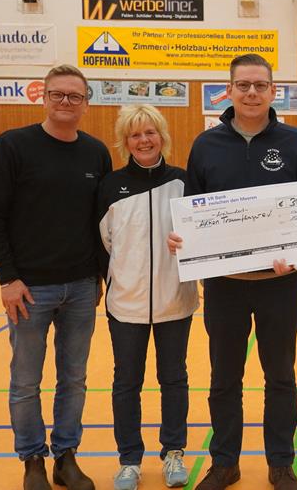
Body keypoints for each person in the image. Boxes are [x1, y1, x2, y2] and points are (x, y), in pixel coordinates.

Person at [168, 53, 297, 490]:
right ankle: (225, 464)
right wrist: (182, 238)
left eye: (260, 85)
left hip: (281, 285)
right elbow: (192, 211)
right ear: (229, 90)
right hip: (225, 288)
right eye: (243, 85)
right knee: (224, 381)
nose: (252, 93)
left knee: (281, 379)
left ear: (273, 91)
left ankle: (281, 464)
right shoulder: (206, 145)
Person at [0, 64, 112, 490]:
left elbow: (102, 221)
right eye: (58, 94)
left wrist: (99, 276)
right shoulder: (12, 146)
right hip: (28, 289)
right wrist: (7, 278)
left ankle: (65, 457)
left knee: (74, 379)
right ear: (44, 97)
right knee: (25, 381)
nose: (66, 102)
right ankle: (32, 459)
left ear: (86, 103)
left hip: (82, 288)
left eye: (75, 96)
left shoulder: (96, 153)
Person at [97, 105, 199, 490]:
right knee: (127, 382)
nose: (144, 140)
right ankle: (129, 460)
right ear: (125, 141)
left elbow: (199, 237)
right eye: (135, 134)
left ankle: (174, 452)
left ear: (162, 136)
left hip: (175, 301)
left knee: (174, 378)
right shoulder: (110, 186)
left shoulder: (183, 182)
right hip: (126, 304)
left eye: (150, 132)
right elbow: (104, 242)